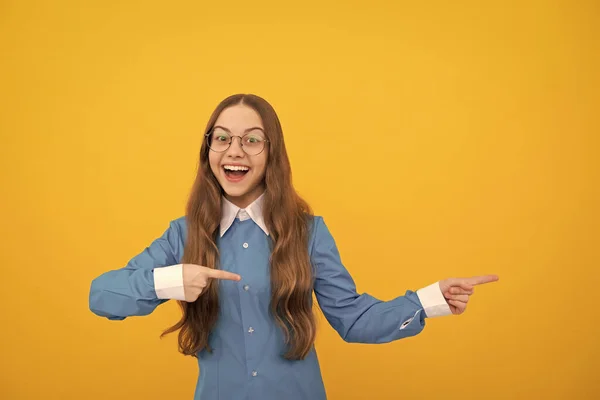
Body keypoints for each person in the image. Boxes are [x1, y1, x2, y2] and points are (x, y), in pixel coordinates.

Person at [89, 93, 499, 399]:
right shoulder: (183, 235)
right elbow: (101, 295)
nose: (235, 150)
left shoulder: (309, 233)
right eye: (223, 138)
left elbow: (353, 319)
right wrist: (172, 280)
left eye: (252, 140)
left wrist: (429, 300)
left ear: (272, 154)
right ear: (208, 149)